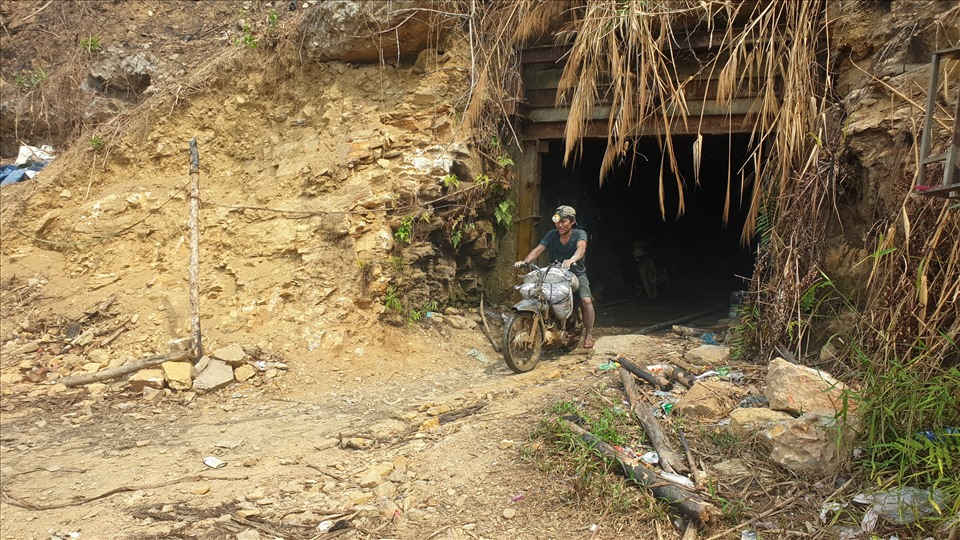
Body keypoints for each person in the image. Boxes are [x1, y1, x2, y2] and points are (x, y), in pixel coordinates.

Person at [514, 205, 596, 349]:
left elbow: (581, 249)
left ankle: (589, 334)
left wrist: (571, 260)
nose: (560, 225)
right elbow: (538, 249)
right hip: (554, 274)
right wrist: (525, 262)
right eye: (557, 221)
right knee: (541, 296)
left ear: (572, 222)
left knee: (586, 300)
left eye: (563, 221)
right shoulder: (552, 234)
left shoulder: (580, 234)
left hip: (576, 273)